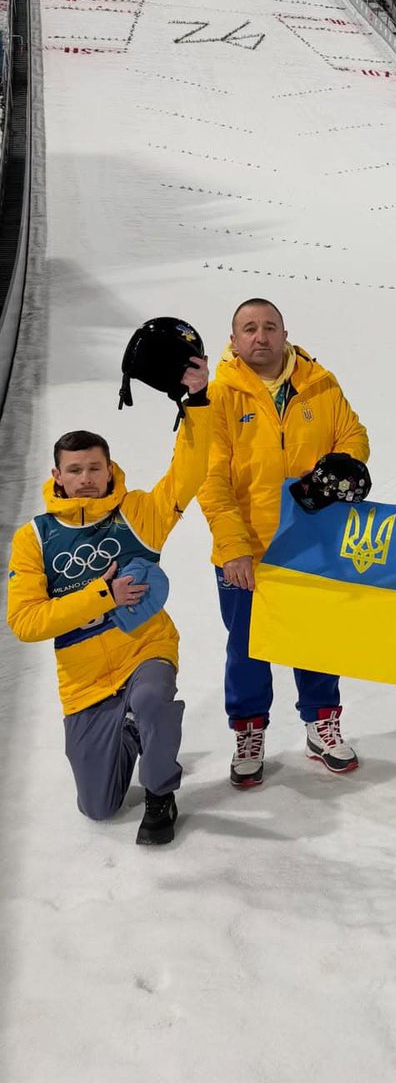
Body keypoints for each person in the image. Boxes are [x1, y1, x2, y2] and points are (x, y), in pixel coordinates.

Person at [6, 357, 210, 845]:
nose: (86, 478)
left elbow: (189, 472)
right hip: (86, 680)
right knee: (98, 807)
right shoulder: (33, 537)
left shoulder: (138, 512)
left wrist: (197, 403)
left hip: (144, 648)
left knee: (151, 698)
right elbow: (26, 622)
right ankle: (131, 730)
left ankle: (161, 792)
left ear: (108, 466)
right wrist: (102, 595)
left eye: (94, 467)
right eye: (75, 470)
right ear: (57, 473)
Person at [198, 298, 369, 787]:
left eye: (269, 327)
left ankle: (321, 724)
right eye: (249, 328)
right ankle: (249, 731)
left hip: (311, 545)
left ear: (285, 333)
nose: (261, 336)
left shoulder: (320, 383)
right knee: (248, 647)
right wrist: (232, 548)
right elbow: (211, 481)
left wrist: (342, 466)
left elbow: (352, 435)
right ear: (233, 340)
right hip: (246, 552)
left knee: (316, 640)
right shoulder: (218, 398)